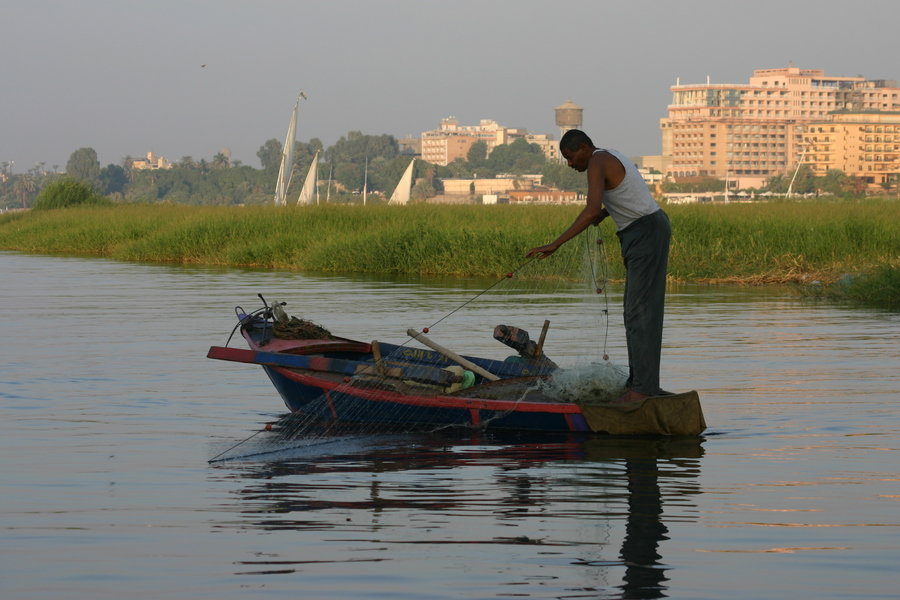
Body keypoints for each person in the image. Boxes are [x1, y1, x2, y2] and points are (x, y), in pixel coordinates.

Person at [526, 129, 671, 404]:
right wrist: (608, 212)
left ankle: (643, 390)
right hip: (643, 231)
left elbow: (591, 208)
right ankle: (639, 383)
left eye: (570, 157)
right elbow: (627, 194)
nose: (570, 164)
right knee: (635, 313)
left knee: (641, 313)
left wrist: (555, 244)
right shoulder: (609, 155)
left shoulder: (597, 161)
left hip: (646, 232)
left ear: (583, 147)